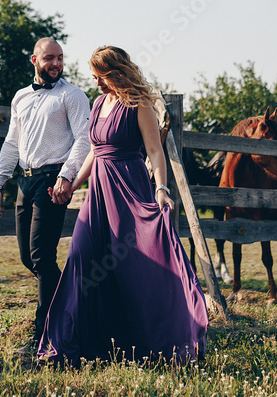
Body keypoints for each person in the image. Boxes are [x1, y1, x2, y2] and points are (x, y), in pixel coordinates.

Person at [38, 45, 207, 363]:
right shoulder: (100, 102)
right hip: (97, 194)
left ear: (115, 72)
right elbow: (94, 150)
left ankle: (149, 338)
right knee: (81, 257)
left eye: (100, 77)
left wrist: (161, 188)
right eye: (94, 78)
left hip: (129, 191)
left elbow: (155, 151)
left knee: (132, 265)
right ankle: (69, 341)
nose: (97, 84)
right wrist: (73, 183)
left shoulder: (138, 104)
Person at [0, 37, 91, 352]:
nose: (56, 63)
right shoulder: (20, 97)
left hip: (52, 181)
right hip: (25, 180)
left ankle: (43, 335)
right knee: (27, 258)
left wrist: (65, 177)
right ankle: (73, 307)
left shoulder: (72, 96)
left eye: (60, 57)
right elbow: (11, 142)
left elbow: (84, 140)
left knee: (42, 258)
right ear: (35, 60)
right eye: (49, 58)